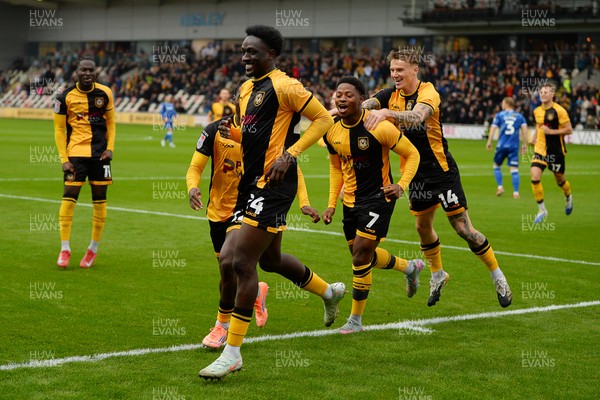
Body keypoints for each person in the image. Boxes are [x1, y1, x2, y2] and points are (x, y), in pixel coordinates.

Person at [199, 25, 344, 380]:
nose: (246, 57)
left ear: (272, 55)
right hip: (250, 185)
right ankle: (328, 292)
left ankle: (232, 352)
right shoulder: (246, 88)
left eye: (253, 52)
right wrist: (230, 133)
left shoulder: (286, 85)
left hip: (275, 185)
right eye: (243, 51)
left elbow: (324, 119)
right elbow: (254, 132)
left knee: (239, 262)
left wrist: (291, 154)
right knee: (269, 259)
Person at [362, 48, 512, 308]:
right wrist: (342, 108)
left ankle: (498, 276)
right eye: (392, 70)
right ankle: (438, 274)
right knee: (422, 228)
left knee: (463, 229)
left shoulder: (428, 93)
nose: (395, 74)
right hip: (415, 174)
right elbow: (364, 105)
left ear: (414, 69)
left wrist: (387, 114)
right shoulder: (389, 95)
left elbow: (417, 117)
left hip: (441, 172)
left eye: (400, 70)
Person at [186, 85, 322, 348]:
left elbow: (290, 168)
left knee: (230, 262)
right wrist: (193, 187)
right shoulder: (214, 129)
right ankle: (256, 291)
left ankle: (221, 328)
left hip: (248, 205)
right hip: (217, 210)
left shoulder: (263, 134)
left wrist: (304, 202)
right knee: (229, 273)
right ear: (239, 101)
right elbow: (195, 166)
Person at [321, 76, 424, 334]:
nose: (342, 99)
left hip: (379, 198)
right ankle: (410, 267)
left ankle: (355, 321)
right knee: (363, 255)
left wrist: (401, 185)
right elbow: (336, 169)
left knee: (360, 255)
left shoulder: (378, 126)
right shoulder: (331, 130)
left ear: (361, 99)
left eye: (348, 95)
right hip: (350, 202)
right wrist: (332, 204)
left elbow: (413, 154)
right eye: (338, 94)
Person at [54, 58, 115, 269]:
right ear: (76, 73)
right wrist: (63, 159)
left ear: (95, 73)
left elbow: (112, 124)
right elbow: (59, 130)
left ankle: (92, 250)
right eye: (83, 70)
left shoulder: (105, 93)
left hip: (100, 157)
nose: (87, 73)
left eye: (91, 70)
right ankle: (64, 249)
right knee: (68, 198)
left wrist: (110, 148)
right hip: (75, 157)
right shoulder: (64, 97)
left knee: (100, 201)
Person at [530, 82, 573, 223]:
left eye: (546, 92)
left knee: (560, 180)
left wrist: (552, 132)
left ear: (552, 94)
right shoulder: (537, 111)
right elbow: (539, 126)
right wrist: (533, 137)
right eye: (541, 92)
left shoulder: (560, 111)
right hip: (540, 149)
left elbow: (569, 129)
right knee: (535, 176)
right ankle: (542, 209)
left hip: (556, 151)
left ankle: (568, 197)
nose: (543, 94)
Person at [485, 97, 528, 198]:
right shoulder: (519, 116)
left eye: (502, 103)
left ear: (506, 104)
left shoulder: (500, 115)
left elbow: (493, 128)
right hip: (514, 146)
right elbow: (525, 130)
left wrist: (489, 141)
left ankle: (500, 187)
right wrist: (525, 144)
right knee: (514, 170)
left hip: (501, 145)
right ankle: (516, 193)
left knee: (496, 166)